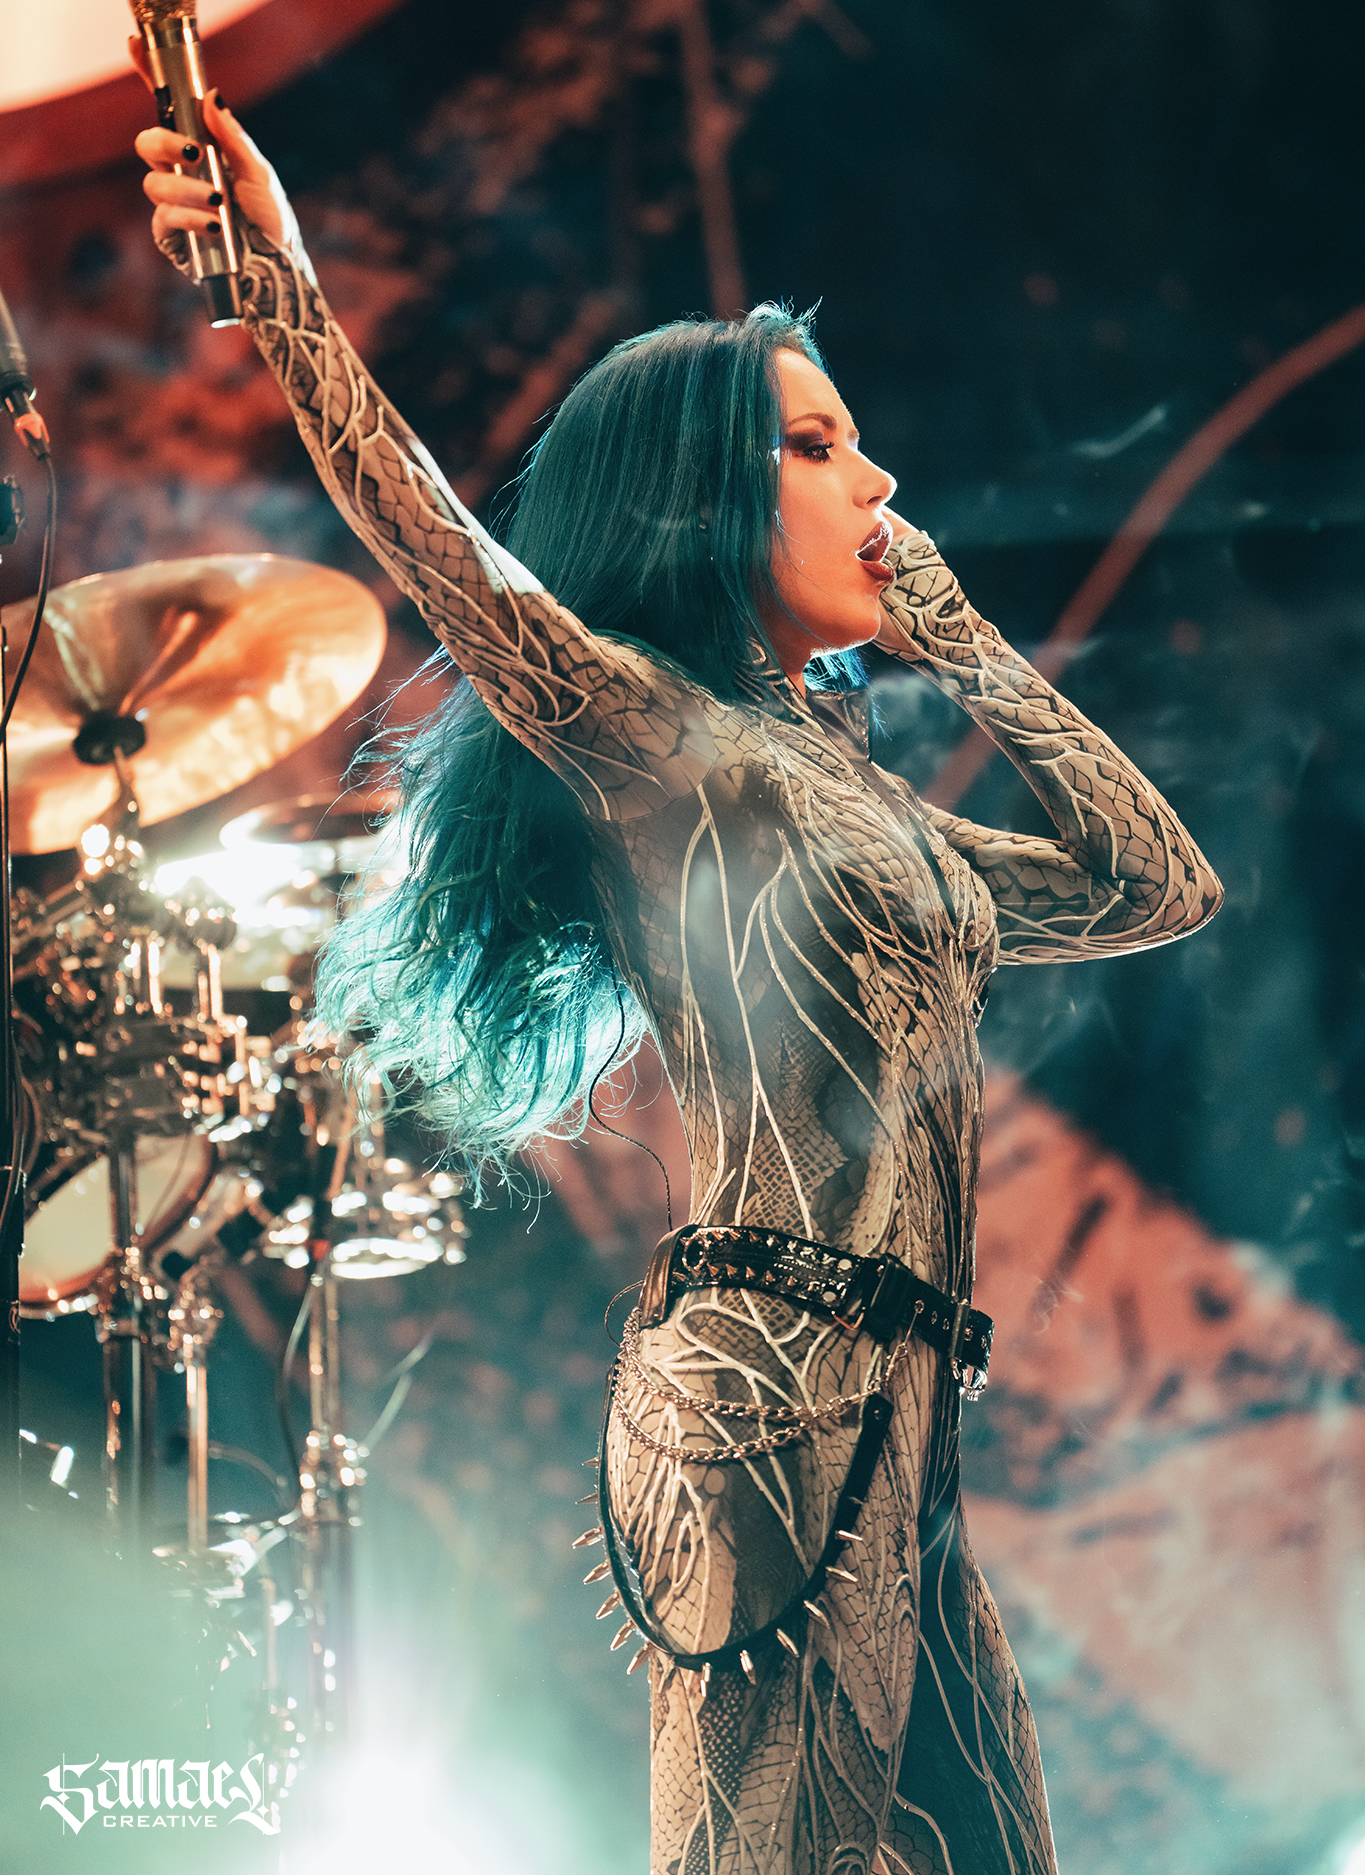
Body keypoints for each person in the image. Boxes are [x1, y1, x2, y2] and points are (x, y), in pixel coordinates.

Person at [135, 92, 1221, 1875]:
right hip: (765, 1388)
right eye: (816, 446)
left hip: (899, 1415)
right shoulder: (657, 740)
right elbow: (442, 553)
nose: (878, 485)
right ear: (701, 493)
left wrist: (963, 643)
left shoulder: (871, 811)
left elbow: (1153, 887)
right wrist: (287, 296)